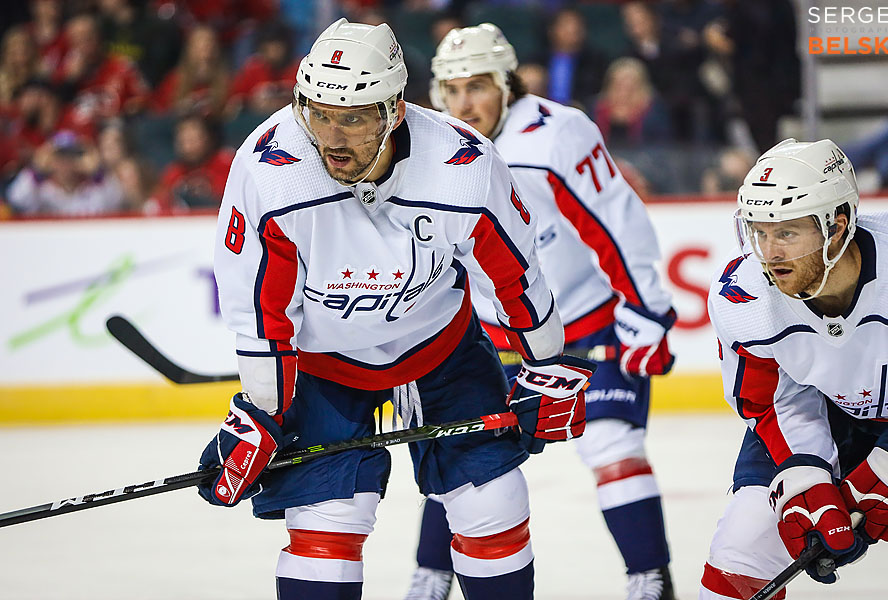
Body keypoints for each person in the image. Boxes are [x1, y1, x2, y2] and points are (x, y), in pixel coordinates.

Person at [198, 18, 596, 600]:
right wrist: (260, 414)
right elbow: (262, 313)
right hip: (324, 363)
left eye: (354, 117)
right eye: (318, 113)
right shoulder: (269, 172)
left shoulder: (462, 165)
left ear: (396, 111)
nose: (332, 137)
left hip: (440, 347)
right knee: (325, 529)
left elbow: (514, 277)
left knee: (493, 504)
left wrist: (548, 364)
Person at [405, 23, 679, 600]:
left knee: (611, 445)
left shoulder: (556, 134)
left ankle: (650, 580)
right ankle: (429, 580)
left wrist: (647, 310)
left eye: (476, 86)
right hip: (487, 338)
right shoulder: (425, 147)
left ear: (508, 83)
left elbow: (614, 222)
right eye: (450, 90)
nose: (463, 104)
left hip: (583, 325)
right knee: (462, 460)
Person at [699, 138, 888, 599]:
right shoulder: (743, 296)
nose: (769, 253)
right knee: (740, 550)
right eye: (760, 232)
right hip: (825, 413)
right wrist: (806, 472)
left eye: (787, 233)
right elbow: (766, 400)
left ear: (838, 226)